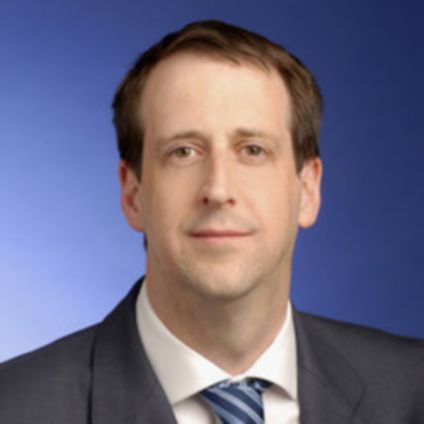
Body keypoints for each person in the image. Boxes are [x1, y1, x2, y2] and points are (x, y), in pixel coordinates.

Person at [0, 20, 423, 424]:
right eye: (183, 152)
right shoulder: (15, 407)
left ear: (308, 190)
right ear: (132, 194)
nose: (218, 189)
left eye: (253, 150)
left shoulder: (412, 392)